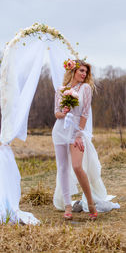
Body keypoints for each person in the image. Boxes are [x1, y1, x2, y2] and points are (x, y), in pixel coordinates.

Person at [52, 59, 119, 220]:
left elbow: (85, 114)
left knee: (76, 166)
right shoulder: (61, 90)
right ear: (73, 71)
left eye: (85, 72)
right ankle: (68, 206)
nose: (84, 74)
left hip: (75, 132)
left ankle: (91, 203)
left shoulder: (85, 88)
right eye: (81, 70)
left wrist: (79, 135)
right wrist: (64, 111)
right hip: (60, 131)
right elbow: (56, 113)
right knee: (62, 168)